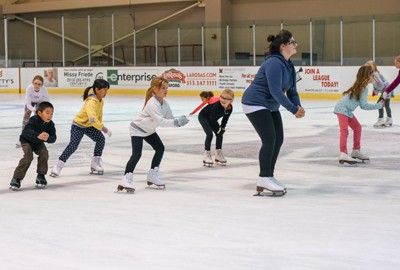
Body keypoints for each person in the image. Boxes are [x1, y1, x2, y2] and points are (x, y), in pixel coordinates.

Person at [241, 29, 305, 196]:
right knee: (269, 139)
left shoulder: (289, 65)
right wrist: (292, 110)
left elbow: (292, 91)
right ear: (283, 46)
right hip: (255, 102)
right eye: (292, 42)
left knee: (279, 138)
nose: (295, 44)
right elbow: (276, 91)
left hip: (270, 105)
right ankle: (264, 177)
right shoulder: (273, 63)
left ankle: (269, 175)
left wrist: (297, 106)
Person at [117, 77, 189, 193]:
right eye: (163, 88)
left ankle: (152, 174)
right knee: (137, 154)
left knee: (160, 148)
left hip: (149, 130)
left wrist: (179, 121)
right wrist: (176, 122)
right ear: (155, 89)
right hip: (137, 129)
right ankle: (126, 178)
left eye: (167, 88)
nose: (166, 90)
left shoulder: (164, 103)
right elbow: (161, 121)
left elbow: (169, 119)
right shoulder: (152, 103)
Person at [50, 79, 111, 177]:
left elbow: (98, 116)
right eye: (104, 90)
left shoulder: (100, 101)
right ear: (97, 89)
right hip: (78, 126)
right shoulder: (91, 102)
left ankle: (95, 163)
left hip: (89, 126)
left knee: (100, 139)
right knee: (73, 145)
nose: (106, 92)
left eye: (107, 90)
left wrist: (100, 127)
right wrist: (103, 128)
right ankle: (58, 166)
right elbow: (92, 118)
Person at [334, 65, 383, 164]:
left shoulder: (361, 85)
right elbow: (363, 105)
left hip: (347, 110)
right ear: (367, 76)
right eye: (372, 76)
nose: (373, 78)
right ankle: (343, 153)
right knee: (344, 131)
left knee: (357, 128)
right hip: (342, 109)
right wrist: (378, 106)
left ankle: (356, 151)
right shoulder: (363, 87)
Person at [10, 102, 56, 190]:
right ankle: (16, 178)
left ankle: (41, 176)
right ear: (39, 113)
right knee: (28, 157)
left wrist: (48, 138)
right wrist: (37, 135)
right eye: (47, 113)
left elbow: (54, 138)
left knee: (44, 153)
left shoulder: (50, 124)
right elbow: (26, 132)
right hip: (26, 141)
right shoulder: (33, 120)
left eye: (51, 113)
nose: (50, 115)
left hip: (38, 143)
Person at [198, 89, 234, 167]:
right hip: (203, 117)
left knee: (220, 134)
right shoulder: (217, 106)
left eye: (227, 99)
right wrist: (219, 130)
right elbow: (212, 120)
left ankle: (218, 153)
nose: (223, 100)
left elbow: (225, 120)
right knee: (210, 134)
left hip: (212, 119)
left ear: (231, 100)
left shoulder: (230, 108)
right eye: (222, 97)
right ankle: (207, 154)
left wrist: (222, 128)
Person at [18, 75, 49, 148]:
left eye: (39, 84)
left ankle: (38, 137)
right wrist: (34, 110)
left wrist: (43, 111)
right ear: (32, 83)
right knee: (26, 119)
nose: (37, 85)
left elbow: (47, 102)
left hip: (40, 103)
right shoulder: (29, 88)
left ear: (42, 85)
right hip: (30, 103)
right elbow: (28, 104)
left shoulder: (44, 90)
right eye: (35, 83)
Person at [365, 60, 392, 128]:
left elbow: (381, 84)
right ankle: (389, 119)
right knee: (386, 105)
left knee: (380, 104)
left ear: (373, 67)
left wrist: (377, 90)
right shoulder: (373, 74)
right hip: (387, 90)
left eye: (369, 66)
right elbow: (377, 84)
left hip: (386, 91)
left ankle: (381, 119)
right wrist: (375, 90)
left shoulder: (375, 74)